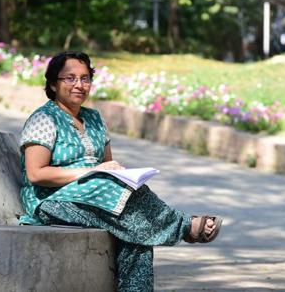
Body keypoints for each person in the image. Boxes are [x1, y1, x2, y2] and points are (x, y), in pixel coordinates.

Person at [18, 51, 222, 291]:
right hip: (51, 200)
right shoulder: (44, 119)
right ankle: (185, 226)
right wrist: (91, 171)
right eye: (70, 78)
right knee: (135, 221)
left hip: (92, 197)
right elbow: (36, 174)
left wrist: (115, 174)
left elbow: (108, 170)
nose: (79, 85)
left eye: (85, 78)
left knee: (139, 231)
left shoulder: (94, 119)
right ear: (53, 83)